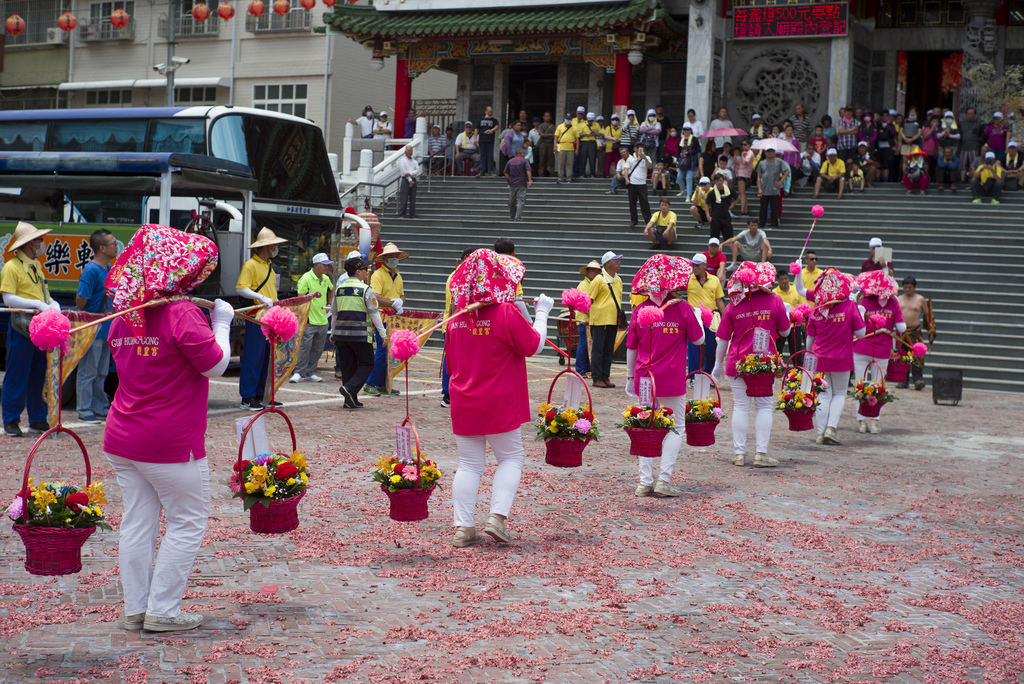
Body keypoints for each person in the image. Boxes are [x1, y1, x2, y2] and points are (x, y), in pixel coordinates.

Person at [103, 224, 230, 632]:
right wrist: (223, 323)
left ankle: (137, 609)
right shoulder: (181, 313)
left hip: (123, 436)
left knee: (138, 521)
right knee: (188, 520)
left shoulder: (126, 313)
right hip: (169, 441)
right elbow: (216, 364)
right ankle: (162, 611)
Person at [446, 250, 553, 547]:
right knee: (511, 457)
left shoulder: (456, 317)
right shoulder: (506, 312)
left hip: (464, 398)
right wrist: (542, 312)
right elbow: (534, 346)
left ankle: (463, 527)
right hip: (500, 398)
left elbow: (451, 366)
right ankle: (497, 517)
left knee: (468, 464)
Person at [625, 256, 705, 497]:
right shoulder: (682, 308)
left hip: (645, 377)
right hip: (672, 377)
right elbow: (699, 339)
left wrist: (630, 378)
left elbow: (631, 347)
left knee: (645, 427)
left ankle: (644, 482)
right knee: (675, 427)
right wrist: (699, 318)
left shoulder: (640, 309)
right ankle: (663, 481)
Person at [712, 262, 791, 467]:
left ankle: (739, 454)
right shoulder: (775, 300)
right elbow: (785, 332)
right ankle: (760, 454)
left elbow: (723, 339)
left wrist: (717, 365)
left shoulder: (734, 304)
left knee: (740, 407)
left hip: (737, 363)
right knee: (764, 407)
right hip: (764, 365)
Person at [1, 222, 61, 437]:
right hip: (22, 326)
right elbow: (8, 298)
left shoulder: (36, 265)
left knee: (38, 375)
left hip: (41, 328)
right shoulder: (11, 267)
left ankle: (37, 419)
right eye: (38, 240)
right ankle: (10, 420)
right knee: (17, 375)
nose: (41, 243)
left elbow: (42, 294)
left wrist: (52, 304)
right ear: (28, 244)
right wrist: (37, 305)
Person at [802, 268, 866, 445]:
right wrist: (860, 312)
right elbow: (861, 333)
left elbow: (809, 339)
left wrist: (809, 359)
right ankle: (831, 428)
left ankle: (820, 433)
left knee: (823, 395)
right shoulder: (850, 306)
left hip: (819, 357)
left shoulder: (816, 309)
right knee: (839, 393)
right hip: (841, 357)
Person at [237, 227, 287, 411]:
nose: (276, 248)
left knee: (266, 359)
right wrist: (264, 299)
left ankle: (261, 395)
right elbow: (241, 288)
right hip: (256, 318)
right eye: (274, 245)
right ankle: (247, 397)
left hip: (270, 318)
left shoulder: (270, 267)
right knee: (253, 357)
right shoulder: (251, 265)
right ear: (268, 247)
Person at [853, 271, 906, 433]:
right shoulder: (891, 303)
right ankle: (870, 420)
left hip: (876, 350)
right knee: (876, 385)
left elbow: (857, 327)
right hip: (865, 348)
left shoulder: (868, 302)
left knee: (862, 385)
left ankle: (865, 420)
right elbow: (901, 327)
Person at [332, 257, 387, 409]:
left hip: (342, 335)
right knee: (367, 363)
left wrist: (332, 332)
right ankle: (350, 389)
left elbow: (334, 313)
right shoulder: (366, 290)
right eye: (365, 269)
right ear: (358, 271)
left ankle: (350, 399)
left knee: (348, 366)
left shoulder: (339, 289)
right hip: (360, 335)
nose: (367, 272)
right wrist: (383, 334)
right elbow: (375, 313)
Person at [75, 228, 118, 423]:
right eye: (113, 244)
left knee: (101, 372)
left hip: (106, 327)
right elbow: (81, 301)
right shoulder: (91, 270)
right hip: (93, 327)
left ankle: (99, 407)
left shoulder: (109, 269)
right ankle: (84, 409)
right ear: (102, 248)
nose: (116, 247)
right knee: (88, 371)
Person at [364, 242, 408, 397]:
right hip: (382, 317)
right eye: (390, 256)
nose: (393, 259)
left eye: (395, 256)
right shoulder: (378, 275)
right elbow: (374, 296)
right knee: (383, 349)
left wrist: (400, 302)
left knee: (390, 351)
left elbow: (402, 294)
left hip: (394, 319)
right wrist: (392, 303)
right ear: (384, 259)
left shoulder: (398, 275)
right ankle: (370, 382)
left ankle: (383, 383)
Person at [441, 248, 477, 407]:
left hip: (460, 324)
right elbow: (457, 304)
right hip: (455, 324)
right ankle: (448, 394)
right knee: (452, 361)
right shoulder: (457, 278)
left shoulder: (464, 277)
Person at [290, 253, 333, 384]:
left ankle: (310, 372)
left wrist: (329, 304)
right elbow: (300, 298)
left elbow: (332, 290)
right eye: (324, 265)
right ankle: (298, 372)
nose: (327, 267)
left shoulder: (326, 278)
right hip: (309, 319)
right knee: (304, 347)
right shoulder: (306, 278)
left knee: (318, 348)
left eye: (327, 265)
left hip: (322, 319)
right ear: (316, 265)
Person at [585, 251, 623, 388]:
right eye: (615, 260)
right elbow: (589, 300)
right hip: (599, 321)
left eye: (618, 260)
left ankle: (605, 376)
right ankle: (596, 378)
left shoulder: (618, 280)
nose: (619, 263)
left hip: (613, 321)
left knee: (608, 351)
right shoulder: (599, 280)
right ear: (607, 264)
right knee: (598, 350)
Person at [686, 254, 726, 376]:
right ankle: (693, 376)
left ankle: (708, 373)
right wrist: (685, 304)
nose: (695, 268)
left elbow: (719, 300)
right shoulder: (688, 279)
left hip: (711, 317)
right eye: (693, 265)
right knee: (693, 347)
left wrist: (725, 319)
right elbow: (674, 291)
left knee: (712, 346)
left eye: (698, 265)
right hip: (694, 317)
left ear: (705, 265)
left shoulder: (714, 280)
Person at [898, 276, 935, 390]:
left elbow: (928, 315)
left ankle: (918, 379)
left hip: (915, 331)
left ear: (914, 287)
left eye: (909, 287)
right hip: (901, 332)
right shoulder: (898, 299)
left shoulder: (920, 299)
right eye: (905, 287)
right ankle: (903, 380)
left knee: (917, 355)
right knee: (902, 356)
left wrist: (931, 330)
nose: (907, 289)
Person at [574, 259, 602, 378]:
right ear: (588, 272)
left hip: (590, 318)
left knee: (587, 344)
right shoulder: (584, 285)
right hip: (583, 318)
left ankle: (585, 368)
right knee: (584, 343)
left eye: (597, 271)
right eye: (593, 271)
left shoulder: (592, 284)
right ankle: (580, 368)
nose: (595, 273)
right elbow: (583, 305)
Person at [773, 270, 805, 358]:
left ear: (788, 278)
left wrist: (803, 321)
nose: (784, 281)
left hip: (794, 325)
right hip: (780, 327)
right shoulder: (774, 293)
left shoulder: (796, 291)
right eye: (782, 279)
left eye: (786, 279)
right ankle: (778, 368)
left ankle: (798, 369)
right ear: (778, 281)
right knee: (778, 350)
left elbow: (801, 306)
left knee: (796, 350)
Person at [756, 147, 787, 229]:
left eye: (771, 151)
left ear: (774, 152)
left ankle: (774, 223)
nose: (770, 153)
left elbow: (787, 171)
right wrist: (759, 188)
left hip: (774, 188)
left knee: (774, 207)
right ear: (765, 153)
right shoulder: (762, 163)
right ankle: (761, 223)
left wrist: (781, 182)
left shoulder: (779, 161)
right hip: (764, 188)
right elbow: (759, 176)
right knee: (763, 208)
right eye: (768, 151)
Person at [626, 144, 653, 229]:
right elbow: (626, 169)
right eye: (637, 148)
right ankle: (634, 220)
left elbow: (650, 167)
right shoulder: (630, 158)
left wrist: (644, 158)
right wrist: (626, 179)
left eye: (641, 148)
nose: (639, 149)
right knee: (632, 202)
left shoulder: (647, 158)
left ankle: (648, 220)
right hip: (632, 183)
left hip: (642, 183)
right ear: (634, 149)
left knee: (644, 202)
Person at [504, 147, 532, 222]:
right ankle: (518, 217)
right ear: (521, 153)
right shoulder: (524, 161)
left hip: (512, 184)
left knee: (512, 201)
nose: (525, 155)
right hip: (521, 183)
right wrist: (529, 180)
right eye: (524, 153)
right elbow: (528, 170)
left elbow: (506, 173)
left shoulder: (510, 161)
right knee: (521, 200)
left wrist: (510, 179)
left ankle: (512, 217)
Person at [704, 172, 734, 242]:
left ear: (723, 181)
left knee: (730, 238)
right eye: (717, 181)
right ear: (714, 182)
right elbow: (707, 204)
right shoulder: (712, 193)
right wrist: (708, 216)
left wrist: (732, 206)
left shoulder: (729, 190)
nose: (719, 182)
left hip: (726, 217)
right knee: (714, 240)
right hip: (715, 218)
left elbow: (738, 197)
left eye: (720, 180)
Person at [959, 107, 984, 183]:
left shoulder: (978, 124)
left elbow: (981, 136)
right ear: (966, 114)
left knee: (973, 164)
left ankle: (972, 179)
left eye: (972, 113)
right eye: (968, 113)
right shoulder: (961, 123)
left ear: (974, 114)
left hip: (974, 146)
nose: (970, 115)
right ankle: (962, 179)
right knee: (962, 164)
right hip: (963, 146)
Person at [675, 124, 700, 200]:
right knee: (679, 176)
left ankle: (689, 195)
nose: (686, 131)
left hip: (691, 161)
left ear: (690, 130)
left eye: (687, 130)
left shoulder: (694, 139)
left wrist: (689, 153)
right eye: (684, 130)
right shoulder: (681, 139)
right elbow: (679, 150)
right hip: (682, 161)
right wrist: (677, 160)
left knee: (689, 178)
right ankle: (683, 191)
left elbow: (698, 150)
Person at [553, 112, 579, 184]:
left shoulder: (574, 128)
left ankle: (569, 178)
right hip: (561, 147)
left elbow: (577, 139)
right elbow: (556, 137)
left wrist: (577, 149)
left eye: (569, 119)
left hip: (570, 147)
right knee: (561, 163)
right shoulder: (560, 126)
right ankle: (560, 177)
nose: (568, 120)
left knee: (569, 164)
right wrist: (555, 146)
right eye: (567, 119)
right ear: (564, 119)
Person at [397, 145, 420, 218]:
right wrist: (409, 179)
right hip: (405, 180)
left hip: (413, 179)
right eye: (408, 150)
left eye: (411, 150)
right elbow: (404, 171)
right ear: (405, 152)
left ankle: (412, 214)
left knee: (413, 198)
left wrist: (410, 173)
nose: (410, 152)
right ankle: (402, 214)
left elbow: (417, 170)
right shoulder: (402, 160)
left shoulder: (415, 161)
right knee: (404, 198)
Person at [733, 138, 756, 213]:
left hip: (744, 174)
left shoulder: (750, 153)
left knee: (742, 193)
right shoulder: (746, 153)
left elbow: (745, 162)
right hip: (740, 173)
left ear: (749, 145)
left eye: (745, 144)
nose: (743, 146)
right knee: (741, 192)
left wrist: (742, 155)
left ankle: (743, 210)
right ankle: (744, 210)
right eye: (742, 145)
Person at [478, 106, 500, 176]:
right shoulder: (480, 120)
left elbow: (497, 126)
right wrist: (475, 138)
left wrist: (491, 130)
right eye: (489, 111)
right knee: (482, 156)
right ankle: (482, 171)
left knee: (490, 156)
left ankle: (491, 171)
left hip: (490, 140)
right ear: (486, 111)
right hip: (482, 140)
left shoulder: (494, 120)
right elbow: (476, 128)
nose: (490, 113)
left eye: (491, 111)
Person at [577, 112, 601, 177]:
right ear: (586, 118)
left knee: (592, 159)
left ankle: (592, 173)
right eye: (589, 120)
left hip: (592, 143)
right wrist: (585, 134)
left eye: (591, 120)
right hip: (584, 143)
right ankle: (582, 173)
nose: (590, 121)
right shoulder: (582, 124)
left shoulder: (596, 125)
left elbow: (600, 134)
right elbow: (578, 135)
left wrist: (595, 134)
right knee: (583, 159)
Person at [899, 107, 922, 173]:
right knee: (905, 160)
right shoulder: (905, 121)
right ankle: (905, 176)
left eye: (914, 112)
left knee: (914, 160)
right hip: (905, 142)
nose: (912, 113)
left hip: (914, 143)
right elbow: (901, 131)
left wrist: (912, 139)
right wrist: (905, 138)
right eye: (911, 112)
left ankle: (913, 175)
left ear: (916, 113)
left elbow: (919, 133)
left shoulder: (919, 122)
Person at [536, 111, 556, 177]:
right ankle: (542, 173)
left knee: (551, 159)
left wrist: (547, 135)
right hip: (543, 144)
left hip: (551, 144)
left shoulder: (553, 126)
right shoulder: (541, 125)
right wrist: (549, 134)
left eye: (548, 116)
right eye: (546, 116)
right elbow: (542, 135)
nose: (547, 117)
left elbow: (554, 136)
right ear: (543, 117)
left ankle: (552, 173)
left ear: (550, 117)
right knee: (542, 159)